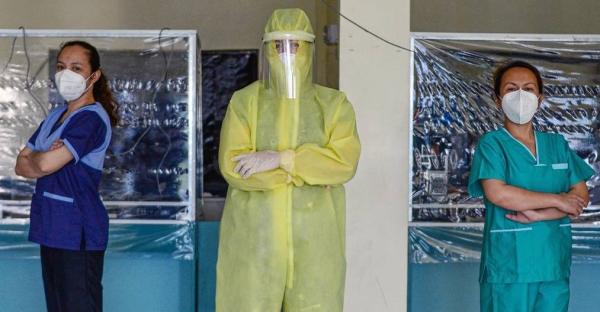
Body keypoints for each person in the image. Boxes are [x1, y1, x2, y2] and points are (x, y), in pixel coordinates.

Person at [215, 8, 361, 312]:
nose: (285, 53)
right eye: (277, 45)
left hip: (315, 241)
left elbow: (343, 162)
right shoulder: (245, 101)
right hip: (256, 240)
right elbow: (234, 167)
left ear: (307, 47)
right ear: (267, 48)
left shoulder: (333, 104)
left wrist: (281, 159)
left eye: (293, 45)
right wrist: (307, 170)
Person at [467, 60, 595, 312]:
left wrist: (541, 213)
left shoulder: (556, 144)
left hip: (553, 263)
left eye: (528, 88)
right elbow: (499, 193)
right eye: (511, 89)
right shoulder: (492, 144)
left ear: (540, 97)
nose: (520, 95)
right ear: (497, 98)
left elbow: (580, 197)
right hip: (510, 264)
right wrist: (558, 200)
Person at [15, 40, 119, 312]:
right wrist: (43, 158)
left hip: (77, 230)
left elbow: (43, 164)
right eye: (61, 67)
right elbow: (20, 165)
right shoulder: (56, 115)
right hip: (51, 227)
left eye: (76, 67)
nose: (66, 74)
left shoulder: (91, 118)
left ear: (93, 76)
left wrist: (39, 158)